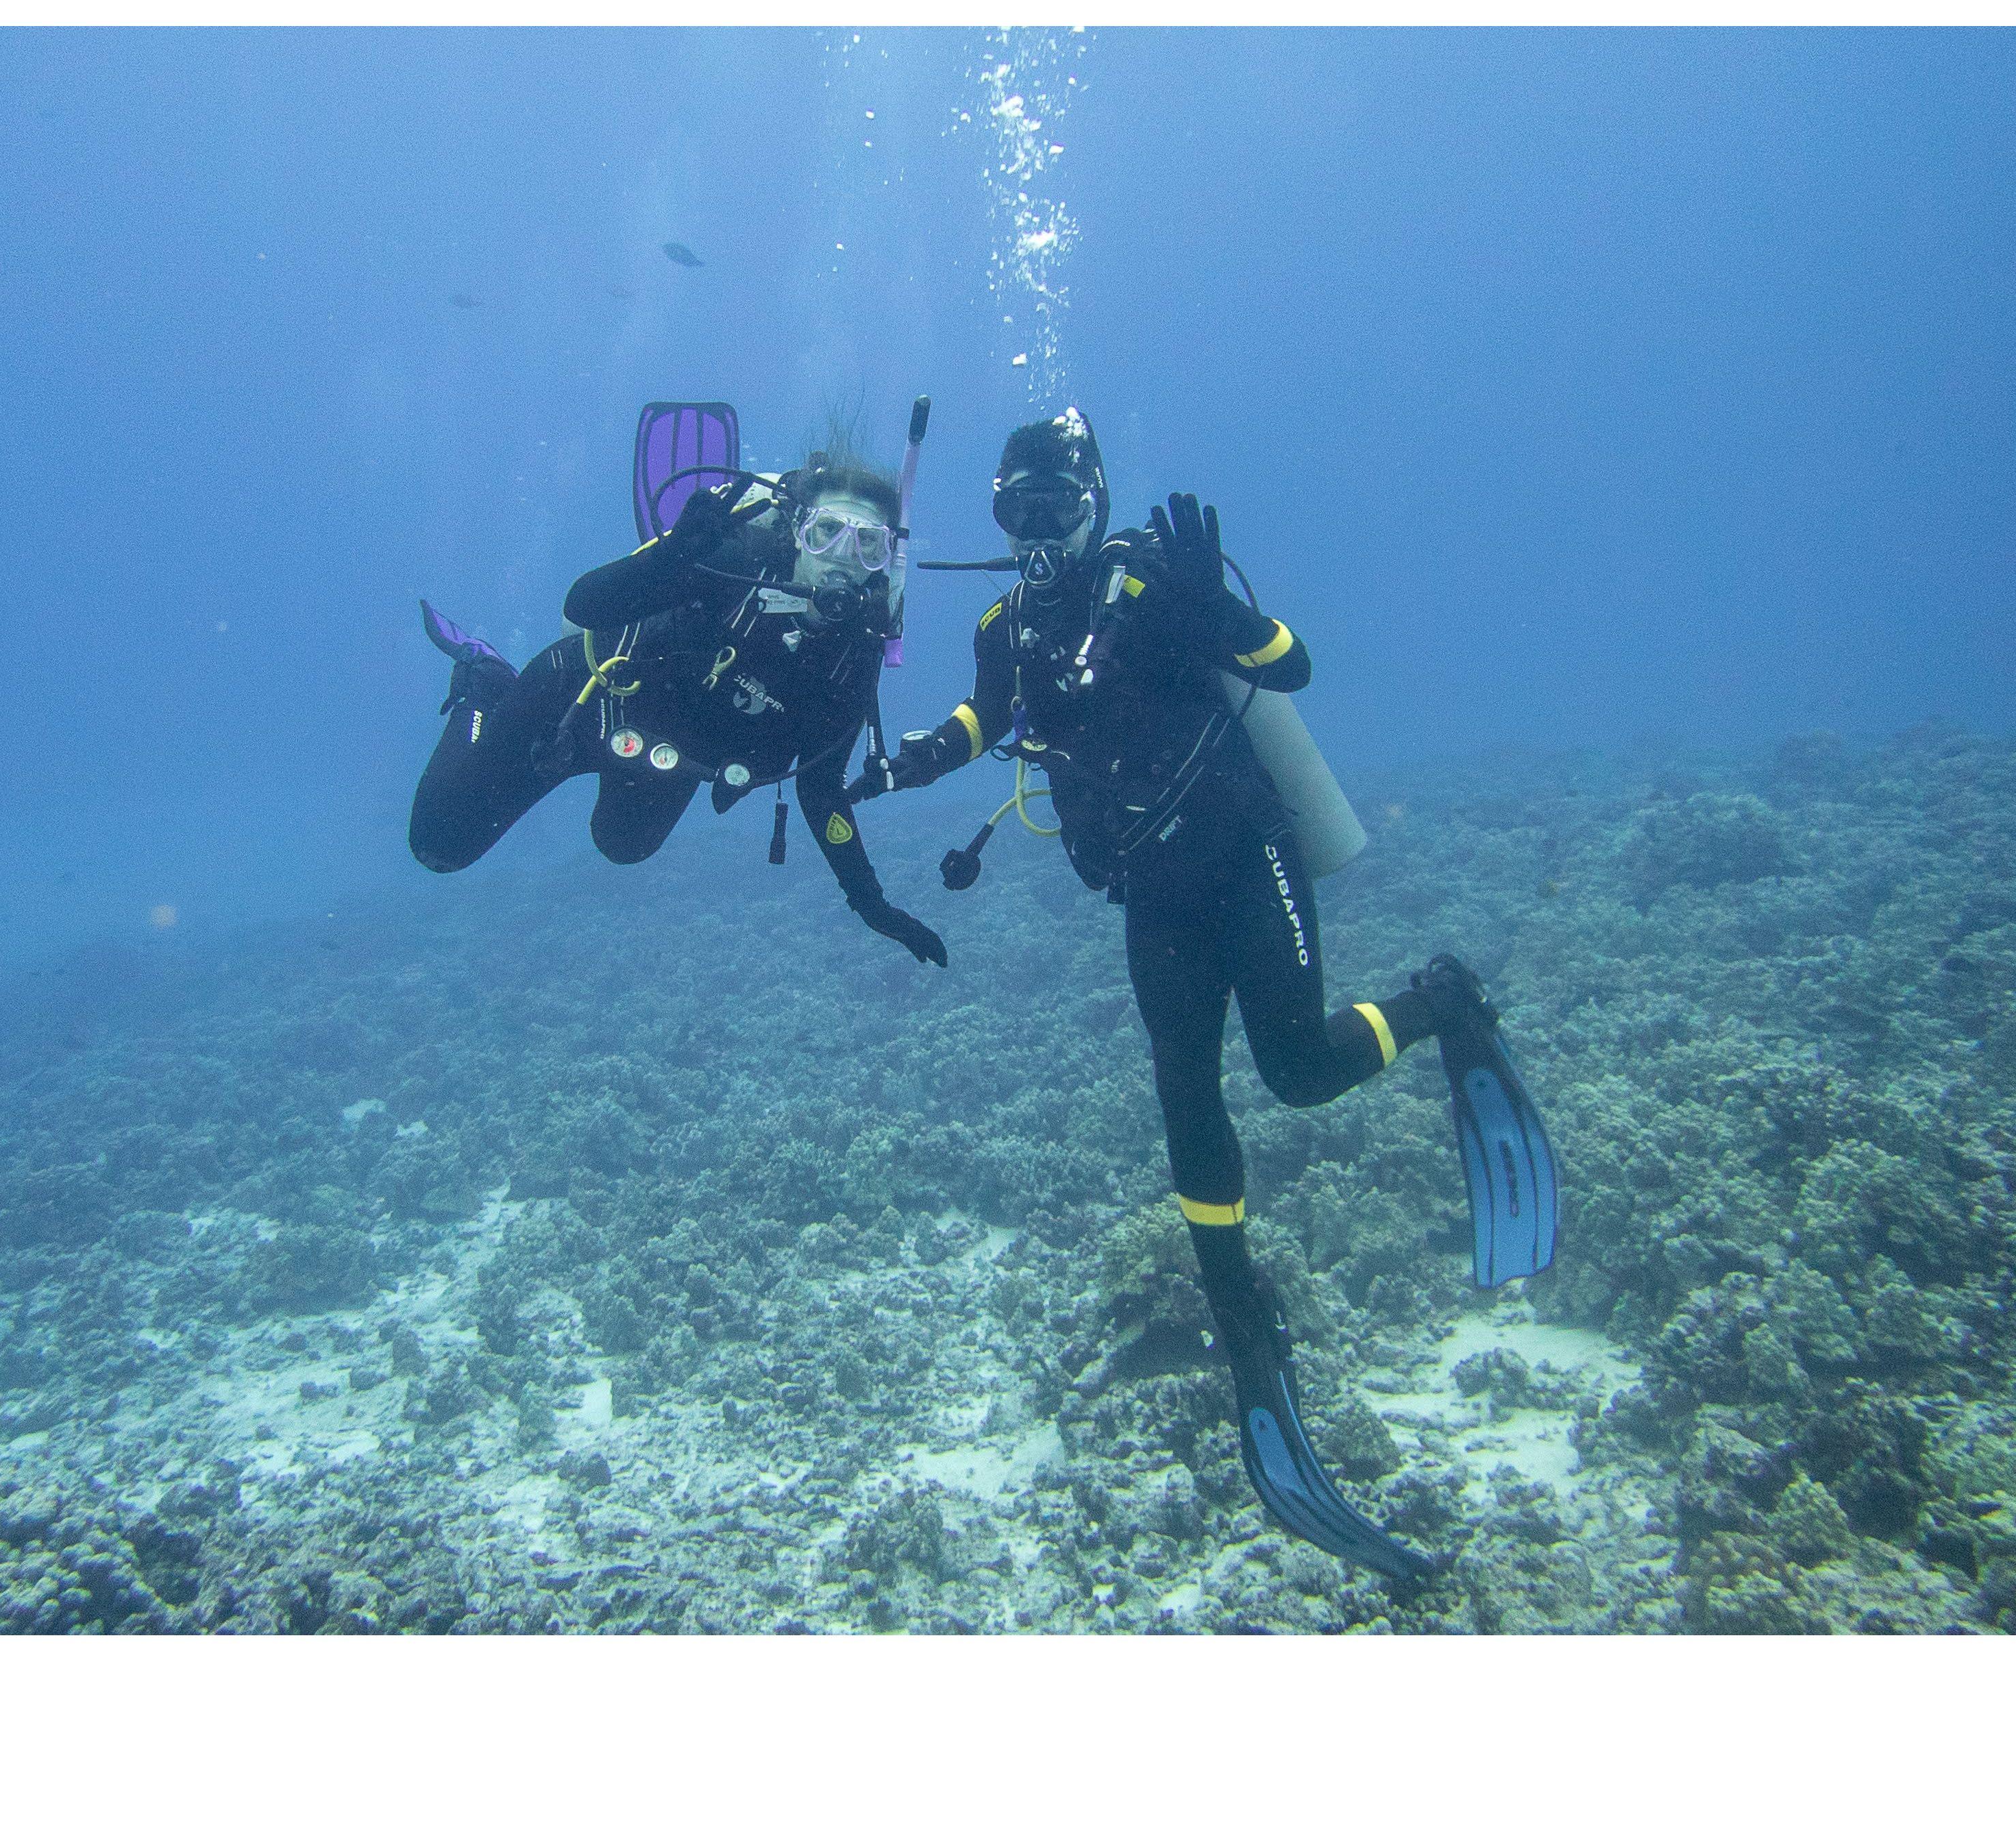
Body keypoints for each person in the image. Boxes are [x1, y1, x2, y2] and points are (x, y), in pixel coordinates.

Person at [850, 411, 1558, 1578]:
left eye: (1052, 504)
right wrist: (925, 752)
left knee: (1297, 1071)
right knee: (1185, 1092)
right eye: (1012, 510)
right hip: (1148, 892)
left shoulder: (1149, 581)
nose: (1035, 529)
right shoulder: (1005, 623)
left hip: (1241, 856)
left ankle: (1442, 1002)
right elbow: (991, 713)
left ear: (1089, 498)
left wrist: (1222, 613)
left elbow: (1288, 667)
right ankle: (1239, 1306)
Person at [409, 453, 948, 968]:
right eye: (826, 531)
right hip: (577, 699)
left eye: (867, 545)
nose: (839, 557)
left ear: (884, 564)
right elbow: (583, 607)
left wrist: (870, 903)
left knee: (622, 846)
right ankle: (484, 685)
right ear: (796, 532)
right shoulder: (734, 561)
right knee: (439, 846)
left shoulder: (854, 651)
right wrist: (675, 556)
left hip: (662, 755)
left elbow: (821, 786)